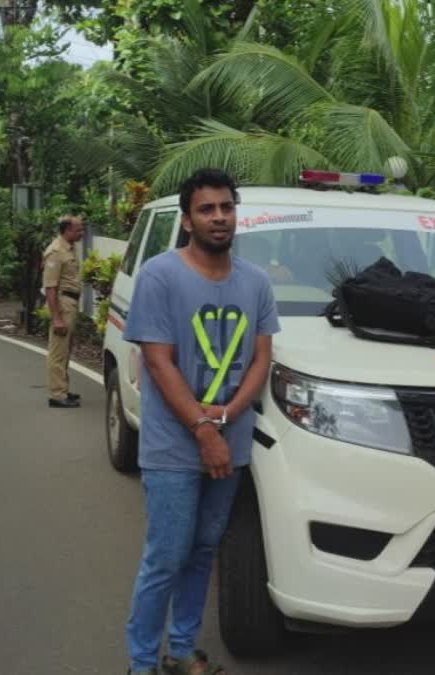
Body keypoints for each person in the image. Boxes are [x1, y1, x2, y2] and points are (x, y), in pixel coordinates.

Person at [122, 169, 280, 675]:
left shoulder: (255, 282)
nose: (218, 217)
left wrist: (229, 419)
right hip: (175, 445)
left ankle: (183, 651)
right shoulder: (160, 275)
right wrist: (204, 430)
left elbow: (261, 359)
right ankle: (141, 663)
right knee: (166, 556)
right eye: (207, 209)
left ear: (236, 214)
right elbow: (158, 361)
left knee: (202, 550)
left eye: (226, 208)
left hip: (228, 444)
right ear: (188, 220)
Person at [41, 215, 86, 408]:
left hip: (70, 303)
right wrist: (56, 318)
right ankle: (57, 395)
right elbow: (50, 288)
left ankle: (63, 388)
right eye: (78, 230)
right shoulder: (56, 252)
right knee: (58, 351)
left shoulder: (70, 248)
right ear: (67, 230)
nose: (81, 233)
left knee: (65, 349)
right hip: (62, 304)